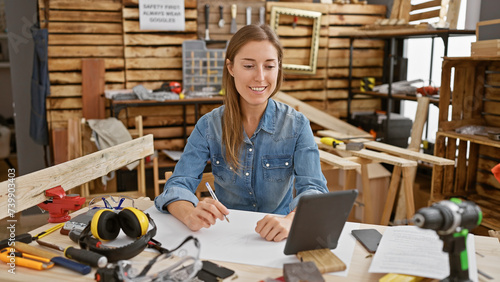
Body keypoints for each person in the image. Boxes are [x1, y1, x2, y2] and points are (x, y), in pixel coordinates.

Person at [154, 24, 328, 242]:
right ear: (231, 68)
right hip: (225, 237)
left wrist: (291, 221)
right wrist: (189, 213)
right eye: (248, 66)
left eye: (269, 66)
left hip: (277, 238)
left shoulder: (297, 125)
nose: (260, 77)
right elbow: (178, 184)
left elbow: (314, 190)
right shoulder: (209, 126)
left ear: (278, 68)